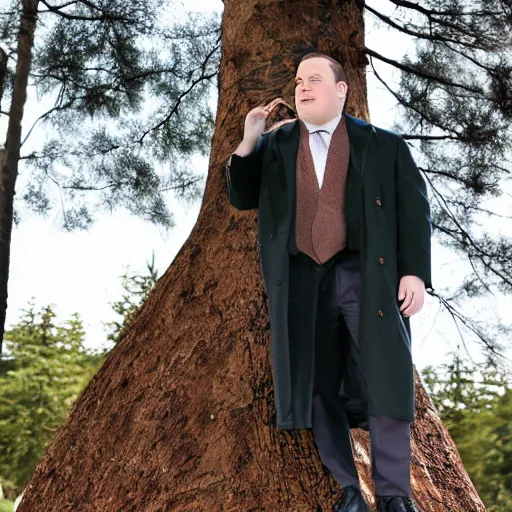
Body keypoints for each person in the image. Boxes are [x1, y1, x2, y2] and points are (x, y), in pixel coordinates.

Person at [225, 51, 433, 512]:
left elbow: (415, 211)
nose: (303, 86)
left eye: (314, 79)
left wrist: (416, 272)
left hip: (366, 276)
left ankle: (396, 497)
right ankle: (349, 490)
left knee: (386, 377)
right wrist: (249, 139)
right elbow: (240, 196)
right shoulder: (276, 146)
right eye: (299, 80)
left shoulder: (384, 145)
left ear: (341, 90)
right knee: (316, 384)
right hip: (301, 280)